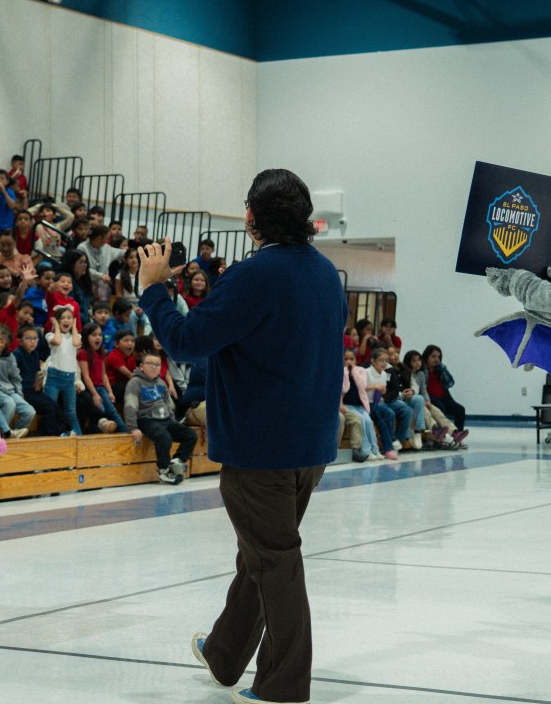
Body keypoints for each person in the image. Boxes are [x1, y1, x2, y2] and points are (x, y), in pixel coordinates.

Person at [137, 168, 346, 704]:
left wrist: (154, 289)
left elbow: (185, 341)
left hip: (260, 449)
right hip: (310, 446)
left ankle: (282, 686)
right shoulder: (325, 273)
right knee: (260, 554)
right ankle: (225, 654)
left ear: (250, 217)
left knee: (274, 560)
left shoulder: (253, 275)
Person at [124, 351, 198, 484]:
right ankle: (164, 471)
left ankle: (176, 461)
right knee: (164, 437)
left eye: (157, 364)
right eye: (150, 363)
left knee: (191, 435)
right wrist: (133, 427)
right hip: (146, 419)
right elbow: (130, 405)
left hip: (165, 419)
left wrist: (173, 422)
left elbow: (169, 405)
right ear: (141, 367)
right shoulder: (135, 383)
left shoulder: (161, 383)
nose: (154, 367)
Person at [0, 324, 34, 438]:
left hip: (9, 391)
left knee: (29, 411)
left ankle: (13, 436)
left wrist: (19, 395)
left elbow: (16, 378)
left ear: (2, 342)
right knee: (9, 403)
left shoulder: (10, 357)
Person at [44, 305, 83, 436]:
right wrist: (55, 326)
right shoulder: (50, 335)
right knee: (51, 407)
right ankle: (54, 435)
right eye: (62, 318)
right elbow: (57, 341)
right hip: (54, 378)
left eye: (69, 318)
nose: (66, 320)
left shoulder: (76, 336)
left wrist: (74, 326)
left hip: (69, 379)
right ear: (57, 320)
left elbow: (77, 344)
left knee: (71, 411)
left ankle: (79, 436)